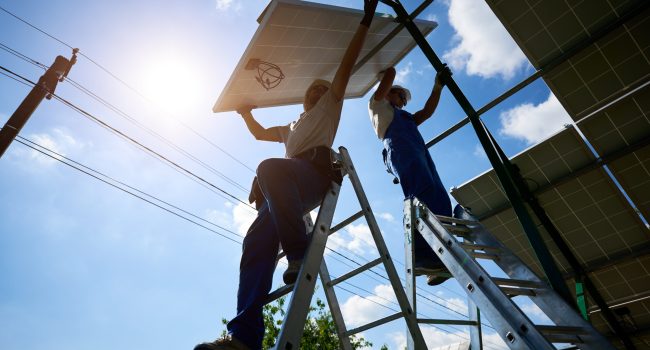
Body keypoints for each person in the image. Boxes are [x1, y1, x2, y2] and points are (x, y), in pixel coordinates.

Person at [194, 1, 378, 349]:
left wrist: (366, 20)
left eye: (324, 90)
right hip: (285, 185)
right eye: (314, 91)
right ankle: (244, 338)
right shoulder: (291, 125)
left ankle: (297, 252)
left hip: (312, 175)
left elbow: (346, 65)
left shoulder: (329, 108)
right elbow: (260, 133)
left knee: (268, 168)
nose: (319, 93)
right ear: (306, 98)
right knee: (254, 245)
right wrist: (244, 113)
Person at [368, 65, 453, 286]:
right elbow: (390, 74)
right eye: (400, 95)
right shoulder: (378, 105)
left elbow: (425, 112)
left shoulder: (406, 117)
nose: (403, 100)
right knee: (421, 191)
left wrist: (438, 87)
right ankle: (422, 257)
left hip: (418, 152)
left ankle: (435, 260)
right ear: (388, 92)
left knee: (440, 198)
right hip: (399, 148)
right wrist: (385, 71)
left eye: (405, 99)